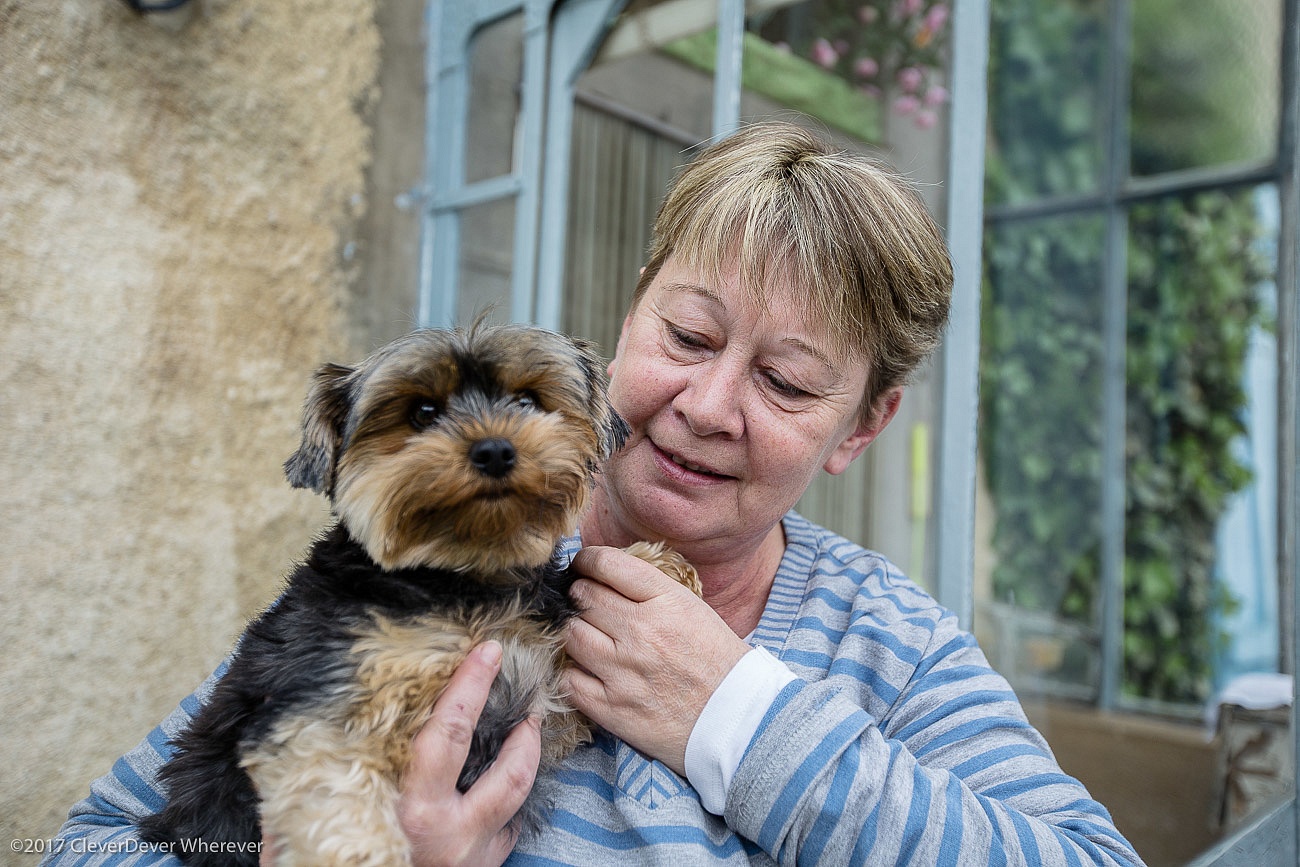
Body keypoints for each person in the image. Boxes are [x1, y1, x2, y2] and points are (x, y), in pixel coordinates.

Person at [45, 121, 1145, 866]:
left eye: (786, 380)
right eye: (688, 334)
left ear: (863, 426)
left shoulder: (887, 647)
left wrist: (740, 718)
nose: (709, 404)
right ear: (629, 314)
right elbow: (91, 841)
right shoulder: (410, 564)